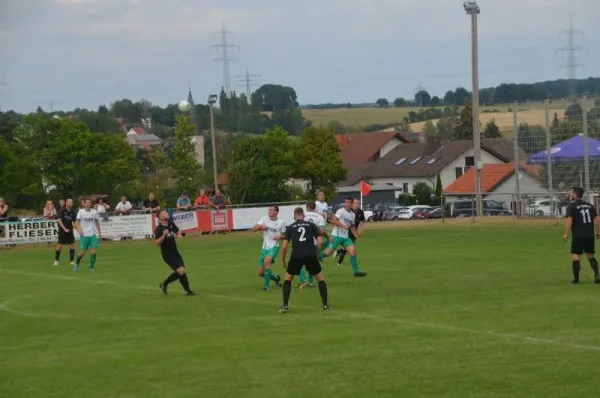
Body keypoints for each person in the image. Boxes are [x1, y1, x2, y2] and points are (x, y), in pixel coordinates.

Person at [279, 207, 330, 313]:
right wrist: (316, 254)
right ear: (304, 216)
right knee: (320, 279)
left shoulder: (290, 227)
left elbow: (284, 247)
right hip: (310, 254)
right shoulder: (311, 225)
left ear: (294, 216)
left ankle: (285, 306)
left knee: (288, 279)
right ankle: (325, 305)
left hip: (296, 255)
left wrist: (283, 261)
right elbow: (320, 242)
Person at [319, 197, 367, 277]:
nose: (347, 204)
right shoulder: (341, 211)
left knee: (353, 252)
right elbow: (333, 220)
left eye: (349, 202)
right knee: (328, 253)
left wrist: (355, 235)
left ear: (351, 204)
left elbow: (352, 226)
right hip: (336, 236)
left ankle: (356, 272)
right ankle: (315, 258)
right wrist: (343, 226)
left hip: (345, 238)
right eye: (346, 202)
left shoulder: (352, 214)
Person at [563, 187, 600, 284]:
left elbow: (569, 220)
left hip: (578, 235)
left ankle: (576, 279)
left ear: (575, 194)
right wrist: (598, 232)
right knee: (590, 255)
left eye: (571, 193)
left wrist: (566, 233)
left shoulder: (572, 206)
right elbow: (597, 220)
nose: (571, 195)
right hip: (589, 235)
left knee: (576, 255)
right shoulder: (590, 206)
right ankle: (597, 275)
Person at [155, 210, 195, 296]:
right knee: (181, 271)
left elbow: (177, 231)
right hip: (167, 255)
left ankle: (187, 291)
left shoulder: (170, 223)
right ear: (160, 217)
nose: (167, 213)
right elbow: (157, 243)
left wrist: (179, 235)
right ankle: (165, 284)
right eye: (164, 213)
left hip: (175, 252)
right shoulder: (159, 229)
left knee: (182, 272)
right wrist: (163, 235)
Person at [299, 202, 333, 289]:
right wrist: (328, 237)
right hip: (314, 242)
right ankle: (310, 282)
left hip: (302, 242)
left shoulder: (302, 215)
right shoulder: (319, 216)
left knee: (299, 262)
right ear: (315, 207)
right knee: (312, 262)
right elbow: (322, 230)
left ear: (307, 207)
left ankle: (303, 280)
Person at [252, 205, 285, 291]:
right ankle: (276, 278)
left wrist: (280, 236)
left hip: (274, 246)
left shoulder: (281, 222)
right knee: (260, 273)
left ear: (276, 212)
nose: (269, 211)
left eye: (271, 210)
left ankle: (266, 286)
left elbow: (285, 235)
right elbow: (253, 228)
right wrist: (260, 227)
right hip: (265, 247)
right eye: (269, 210)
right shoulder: (264, 219)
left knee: (267, 261)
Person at [336, 198, 366, 267]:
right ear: (352, 204)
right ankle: (339, 262)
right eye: (355, 203)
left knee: (347, 248)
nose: (357, 205)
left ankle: (339, 251)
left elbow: (362, 221)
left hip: (353, 232)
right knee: (348, 248)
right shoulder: (349, 211)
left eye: (358, 203)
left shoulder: (360, 212)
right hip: (346, 232)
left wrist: (361, 229)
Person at [74, 199, 101, 272]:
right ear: (84, 204)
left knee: (94, 251)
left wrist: (99, 233)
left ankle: (91, 268)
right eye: (87, 203)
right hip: (84, 236)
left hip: (92, 235)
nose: (89, 204)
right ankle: (77, 263)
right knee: (82, 253)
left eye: (90, 202)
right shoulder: (81, 212)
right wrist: (79, 230)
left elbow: (97, 223)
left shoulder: (94, 212)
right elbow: (77, 222)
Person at [54, 198, 76, 266]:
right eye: (69, 202)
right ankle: (56, 260)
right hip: (62, 231)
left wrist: (78, 229)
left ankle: (71, 261)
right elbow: (59, 221)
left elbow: (75, 222)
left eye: (71, 202)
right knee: (59, 245)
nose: (70, 204)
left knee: (72, 246)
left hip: (70, 231)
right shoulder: (62, 211)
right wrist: (64, 228)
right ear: (66, 203)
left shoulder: (72, 212)